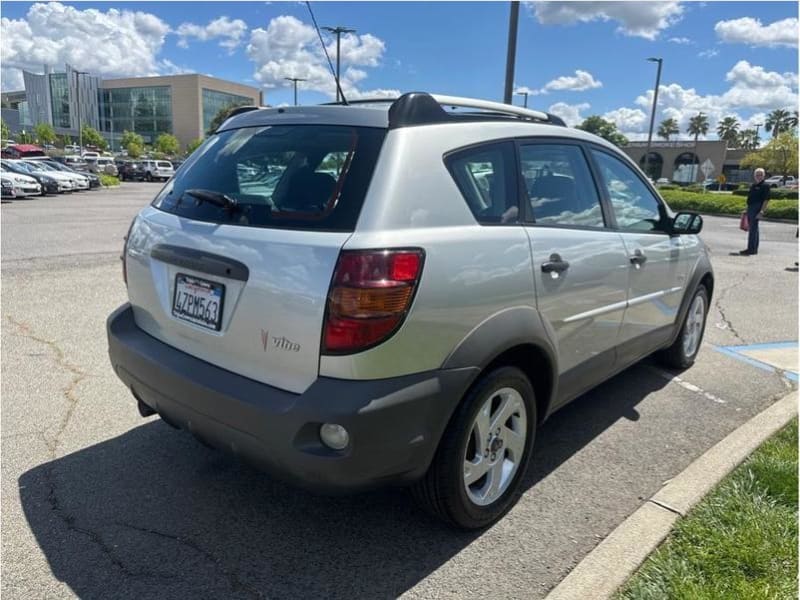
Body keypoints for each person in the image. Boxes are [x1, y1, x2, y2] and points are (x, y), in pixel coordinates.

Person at [739, 167, 770, 255]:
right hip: (751, 208)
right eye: (757, 175)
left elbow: (766, 200)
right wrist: (746, 209)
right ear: (754, 176)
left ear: (763, 176)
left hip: (757, 208)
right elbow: (750, 199)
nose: (758, 176)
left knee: (753, 229)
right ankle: (753, 249)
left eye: (760, 175)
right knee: (754, 229)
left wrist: (762, 211)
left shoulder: (765, 186)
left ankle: (751, 249)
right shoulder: (753, 186)